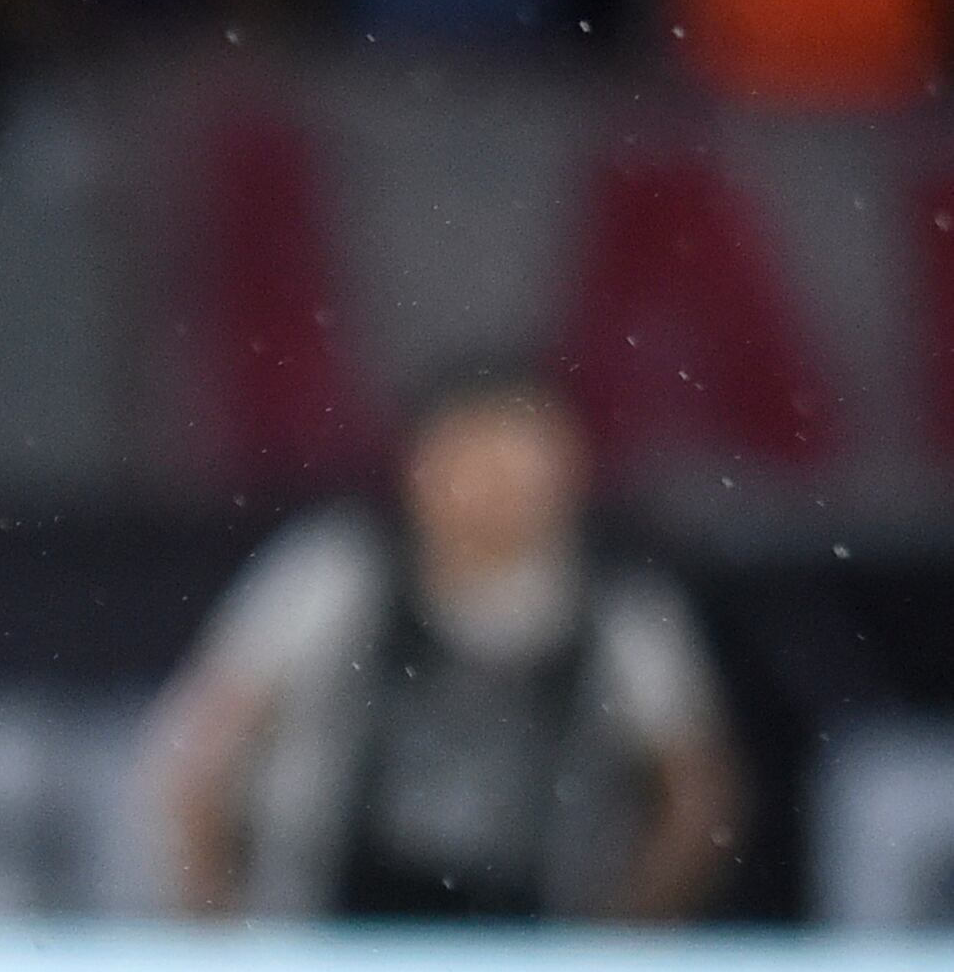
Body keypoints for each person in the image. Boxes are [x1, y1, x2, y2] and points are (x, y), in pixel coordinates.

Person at [155, 364, 741, 923]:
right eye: (474, 461)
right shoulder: (333, 576)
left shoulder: (623, 614)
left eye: (519, 466)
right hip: (325, 951)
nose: (496, 490)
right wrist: (220, 931)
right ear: (419, 468)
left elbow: (699, 802)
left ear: (570, 472)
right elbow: (199, 759)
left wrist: (618, 944)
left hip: (538, 964)